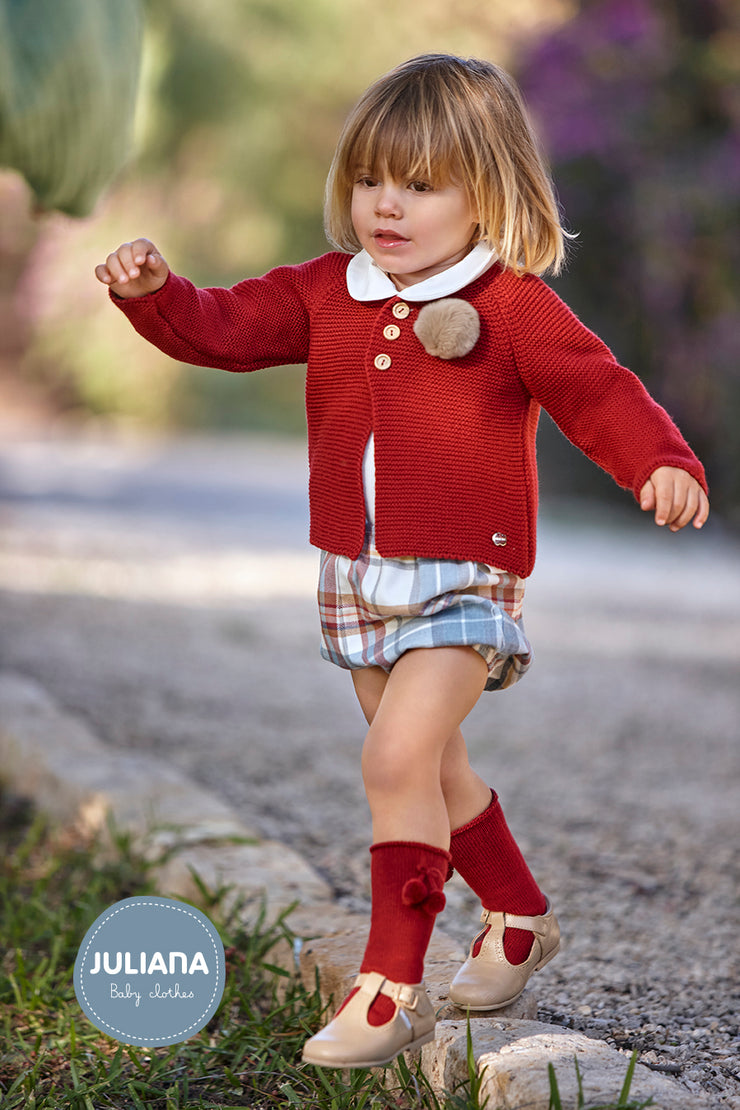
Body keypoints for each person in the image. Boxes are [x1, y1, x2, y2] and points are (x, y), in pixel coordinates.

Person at [95, 54, 709, 1070]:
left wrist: (658, 460)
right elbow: (222, 328)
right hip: (357, 579)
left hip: (464, 577)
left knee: (392, 760)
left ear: (487, 193)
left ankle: (390, 990)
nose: (388, 204)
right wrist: (159, 295)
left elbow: (594, 388)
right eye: (372, 178)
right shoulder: (326, 292)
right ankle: (515, 917)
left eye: (421, 185)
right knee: (433, 764)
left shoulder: (509, 304)